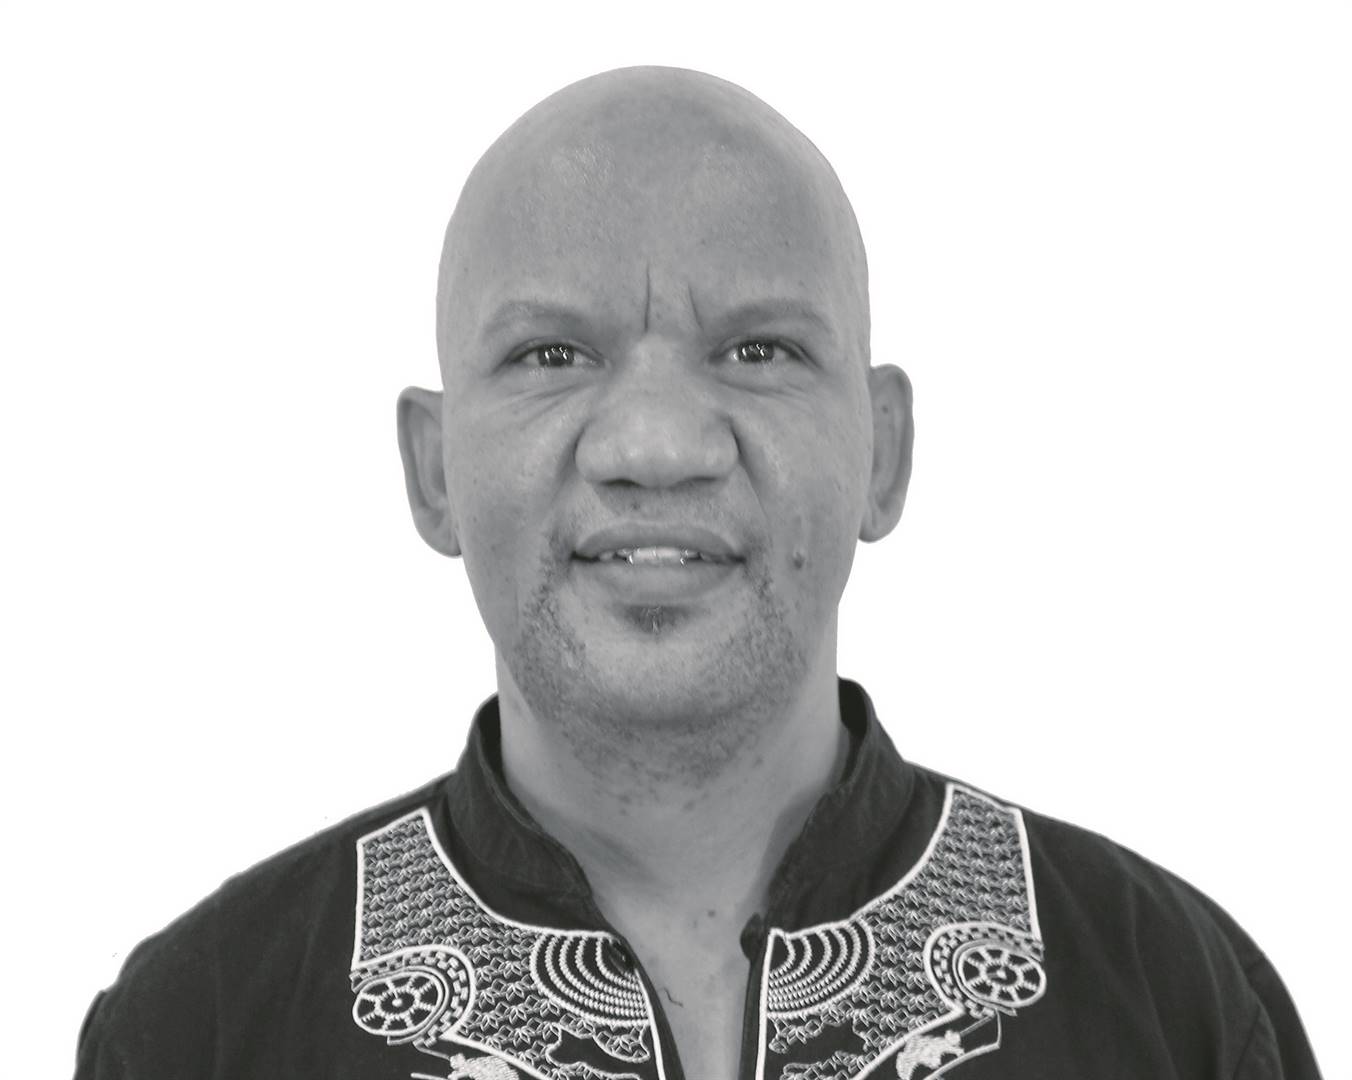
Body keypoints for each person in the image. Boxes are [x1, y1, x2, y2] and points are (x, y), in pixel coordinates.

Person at [73, 66, 1322, 1080]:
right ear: (432, 470)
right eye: (551, 353)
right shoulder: (200, 1032)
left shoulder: (1171, 1003)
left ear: (882, 453)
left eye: (758, 349)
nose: (656, 444)